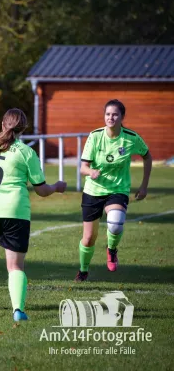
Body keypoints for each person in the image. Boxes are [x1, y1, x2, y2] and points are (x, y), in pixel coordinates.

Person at [0, 108, 66, 322]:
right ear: (23, 129)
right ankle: (18, 311)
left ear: (3, 123)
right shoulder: (25, 152)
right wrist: (57, 187)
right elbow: (41, 189)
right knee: (15, 265)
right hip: (14, 211)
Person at [75, 99, 152, 282]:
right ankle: (83, 270)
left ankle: (112, 249)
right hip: (93, 190)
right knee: (88, 239)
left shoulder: (131, 138)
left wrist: (144, 186)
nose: (111, 117)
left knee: (116, 224)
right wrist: (91, 171)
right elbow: (82, 167)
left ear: (122, 117)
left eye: (115, 114)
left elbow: (147, 157)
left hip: (118, 189)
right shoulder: (95, 136)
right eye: (108, 114)